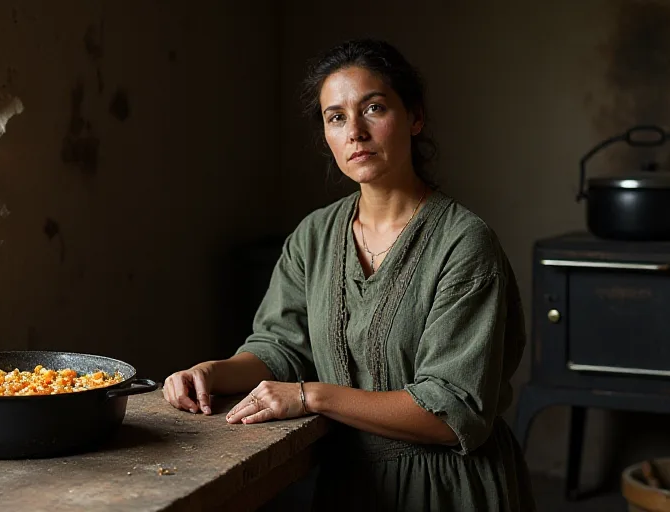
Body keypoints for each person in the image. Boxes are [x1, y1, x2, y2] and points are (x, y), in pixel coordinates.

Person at [163, 38, 536, 511]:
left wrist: (312, 397)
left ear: (414, 118)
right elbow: (280, 348)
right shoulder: (314, 236)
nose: (354, 132)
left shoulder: (463, 243)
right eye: (336, 117)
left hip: (446, 488)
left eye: (373, 108)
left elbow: (451, 412)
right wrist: (212, 373)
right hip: (350, 487)